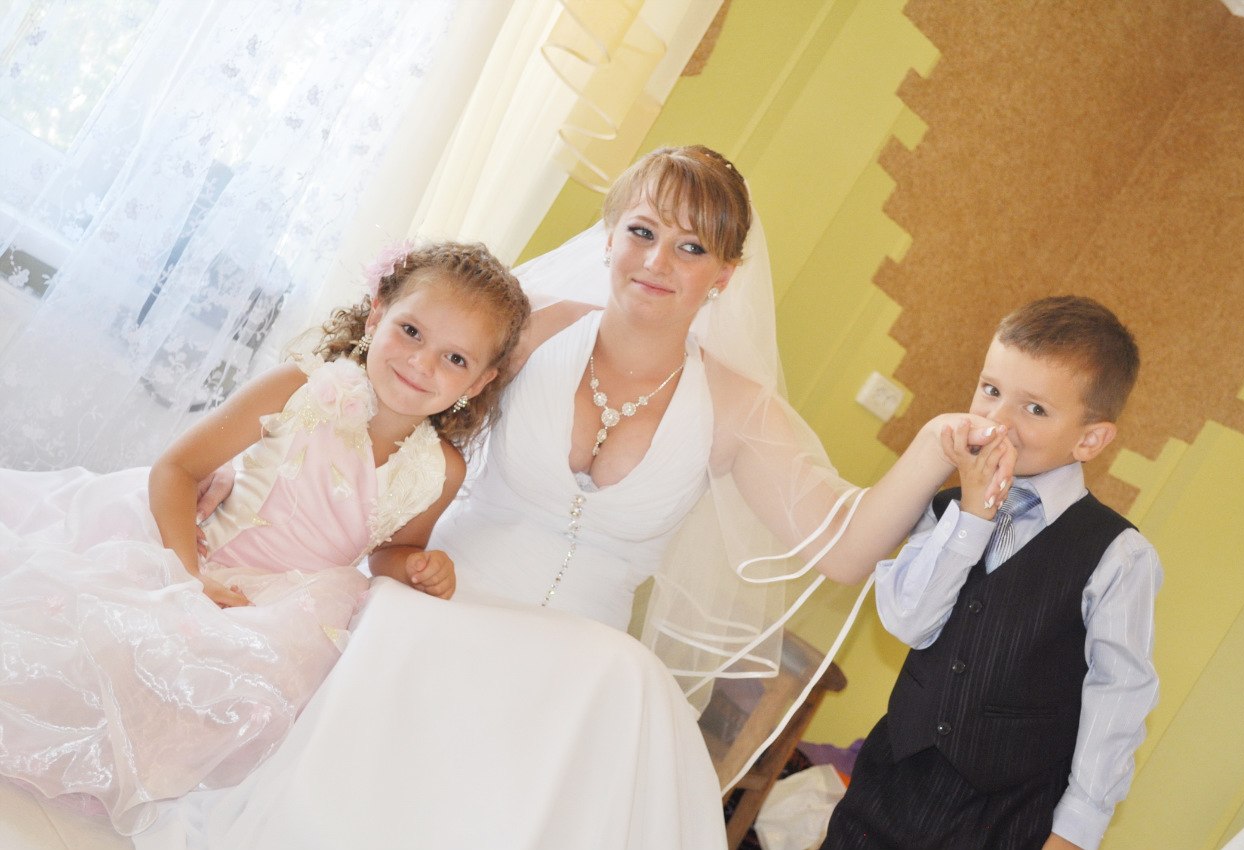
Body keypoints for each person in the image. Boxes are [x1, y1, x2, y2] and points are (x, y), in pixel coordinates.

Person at [143, 145, 1014, 850]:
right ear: (608, 235)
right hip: (441, 599)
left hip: (577, 663)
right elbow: (393, 384)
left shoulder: (740, 412)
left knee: (623, 681)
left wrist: (934, 450)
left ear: (725, 274)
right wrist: (257, 469)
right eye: (642, 231)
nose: (657, 261)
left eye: (691, 248)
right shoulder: (530, 329)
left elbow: (846, 549)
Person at [0, 241, 530, 835]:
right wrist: (186, 575)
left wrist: (416, 566)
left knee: (236, 686)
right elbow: (177, 469)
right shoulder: (299, 388)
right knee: (102, 636)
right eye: (411, 331)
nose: (422, 363)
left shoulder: (440, 469)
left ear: (481, 380)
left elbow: (391, 549)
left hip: (285, 604)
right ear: (376, 314)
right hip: (193, 555)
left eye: (455, 358)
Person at [819, 296, 1162, 850]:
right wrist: (973, 516)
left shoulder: (1118, 555)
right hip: (886, 794)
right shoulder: (945, 509)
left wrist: (1076, 830)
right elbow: (908, 622)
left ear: (1090, 439)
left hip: (1005, 821)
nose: (998, 420)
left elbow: (1119, 696)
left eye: (1035, 409)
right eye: (990, 390)